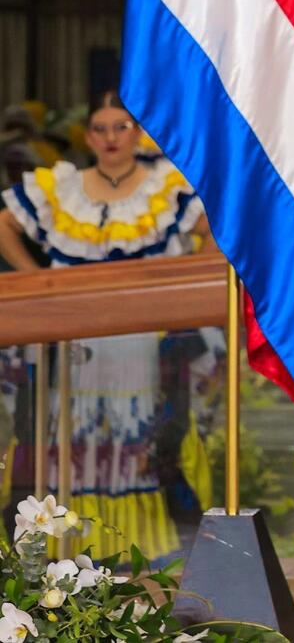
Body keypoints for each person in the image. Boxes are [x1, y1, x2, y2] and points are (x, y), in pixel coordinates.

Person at [0, 91, 210, 560]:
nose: (111, 137)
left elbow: (213, 233)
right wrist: (39, 283)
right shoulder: (64, 187)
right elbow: (4, 225)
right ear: (89, 136)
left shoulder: (166, 187)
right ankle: (64, 551)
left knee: (143, 439)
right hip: (73, 345)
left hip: (143, 346)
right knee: (69, 434)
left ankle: (146, 547)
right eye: (101, 128)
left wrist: (188, 288)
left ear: (137, 133)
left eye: (121, 127)